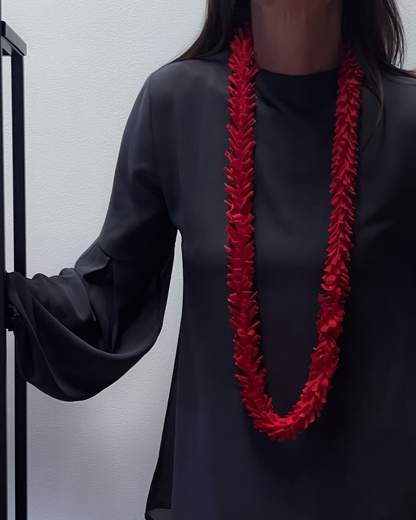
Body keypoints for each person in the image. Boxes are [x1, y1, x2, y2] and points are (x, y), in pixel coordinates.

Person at [5, 0, 416, 518]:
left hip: (378, 492)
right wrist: (14, 297)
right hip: (220, 488)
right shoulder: (176, 104)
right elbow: (109, 292)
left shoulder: (405, 118)